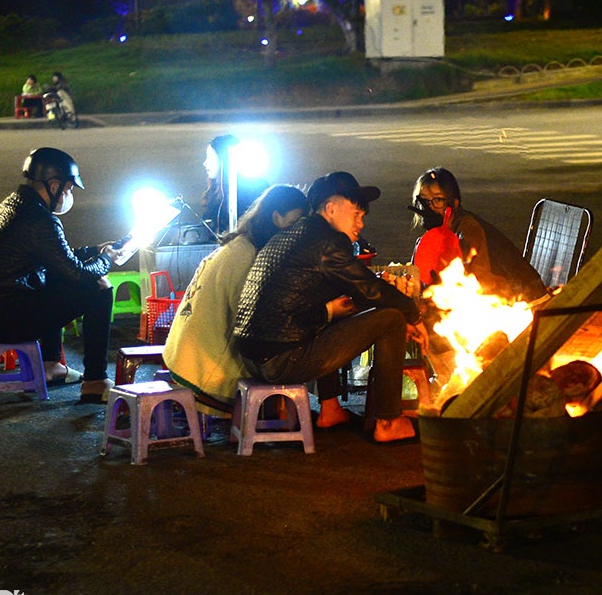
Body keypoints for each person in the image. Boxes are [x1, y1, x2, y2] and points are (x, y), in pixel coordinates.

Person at [234, 171, 427, 443]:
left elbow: (354, 293)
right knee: (392, 320)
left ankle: (330, 408)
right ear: (331, 208)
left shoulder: (294, 234)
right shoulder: (329, 242)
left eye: (363, 216)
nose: (360, 223)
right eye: (356, 214)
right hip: (283, 359)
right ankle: (389, 420)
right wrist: (413, 314)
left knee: (340, 312)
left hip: (253, 355)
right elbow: (370, 289)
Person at [0, 147, 125, 403]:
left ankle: (51, 366)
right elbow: (78, 275)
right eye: (69, 189)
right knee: (99, 287)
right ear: (53, 185)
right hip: (5, 321)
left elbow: (58, 258)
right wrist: (108, 260)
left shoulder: (15, 205)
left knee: (51, 277)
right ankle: (95, 380)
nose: (68, 195)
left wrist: (96, 250)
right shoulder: (38, 219)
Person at [163, 185, 309, 418]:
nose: (299, 233)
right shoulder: (248, 255)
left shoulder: (240, 244)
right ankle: (285, 415)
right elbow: (253, 320)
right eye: (294, 224)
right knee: (290, 349)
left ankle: (286, 412)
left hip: (181, 357)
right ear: (276, 218)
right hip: (202, 368)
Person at [410, 167, 546, 302]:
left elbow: (477, 282)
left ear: (454, 204)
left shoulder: (469, 230)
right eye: (424, 201)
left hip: (526, 301)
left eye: (438, 200)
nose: (429, 207)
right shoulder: (440, 233)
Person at [200, 134, 268, 237]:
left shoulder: (255, 187)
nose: (205, 163)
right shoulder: (213, 190)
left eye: (210, 158)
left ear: (224, 160)